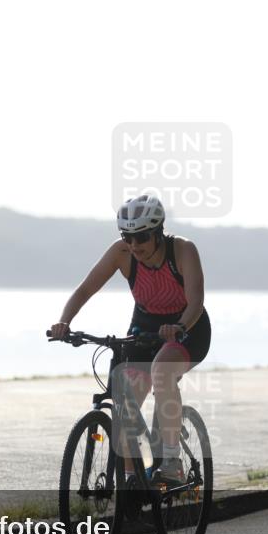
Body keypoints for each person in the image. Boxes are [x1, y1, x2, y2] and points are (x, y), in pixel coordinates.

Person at [49, 195, 211, 485]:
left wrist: (179, 326)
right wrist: (64, 322)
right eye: (128, 237)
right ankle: (131, 481)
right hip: (144, 328)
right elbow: (85, 290)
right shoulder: (121, 253)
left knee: (162, 370)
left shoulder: (183, 250)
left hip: (188, 328)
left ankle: (172, 462)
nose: (135, 245)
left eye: (142, 237)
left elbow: (196, 302)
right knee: (124, 399)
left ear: (158, 232)